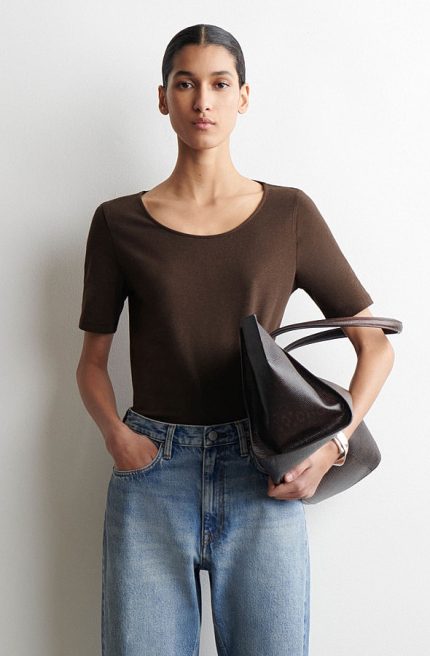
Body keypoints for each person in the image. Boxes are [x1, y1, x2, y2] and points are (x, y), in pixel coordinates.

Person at [76, 23, 395, 656]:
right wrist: (117, 436)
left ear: (243, 97)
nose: (203, 101)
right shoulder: (118, 223)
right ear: (162, 98)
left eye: (220, 84)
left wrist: (333, 446)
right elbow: (91, 363)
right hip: (152, 475)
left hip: (262, 475)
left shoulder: (289, 214)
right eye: (185, 84)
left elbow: (376, 345)